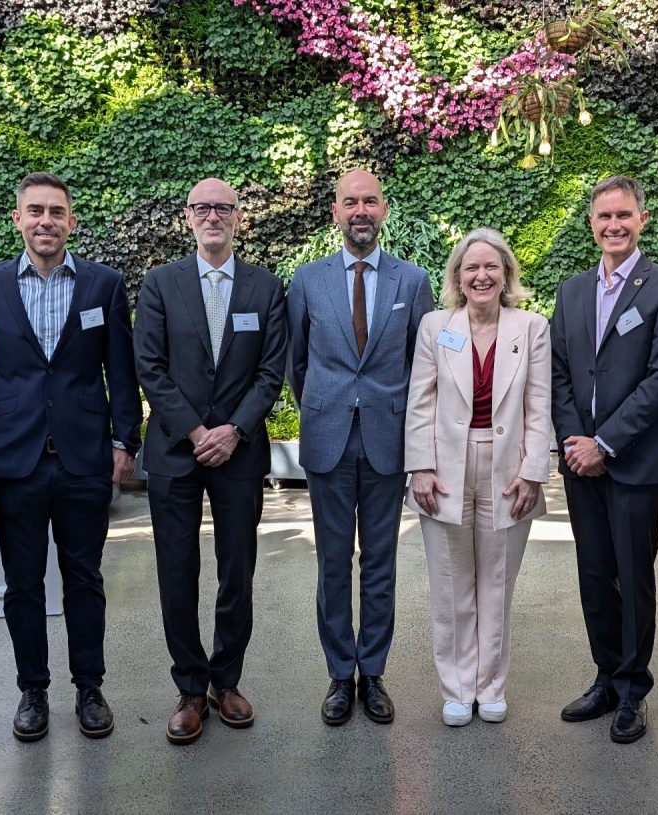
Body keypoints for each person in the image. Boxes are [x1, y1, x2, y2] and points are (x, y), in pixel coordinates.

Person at [0, 172, 141, 743]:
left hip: (85, 459)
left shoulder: (103, 286)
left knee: (84, 578)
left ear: (71, 222)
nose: (45, 221)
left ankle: (90, 687)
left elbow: (122, 371)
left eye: (56, 212)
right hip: (15, 461)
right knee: (22, 583)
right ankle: (32, 691)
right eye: (35, 211)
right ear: (18, 219)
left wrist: (124, 441)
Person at [134, 178, 287, 744]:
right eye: (203, 208)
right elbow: (148, 365)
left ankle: (226, 681)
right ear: (188, 218)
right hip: (176, 450)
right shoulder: (159, 284)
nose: (213, 216)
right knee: (177, 571)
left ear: (239, 218)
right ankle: (190, 687)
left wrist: (234, 429)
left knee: (236, 571)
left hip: (239, 451)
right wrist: (198, 430)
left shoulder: (266, 289)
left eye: (224, 208)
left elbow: (272, 371)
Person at [287, 169, 434, 725]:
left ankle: (372, 673)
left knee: (380, 563)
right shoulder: (307, 280)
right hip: (328, 440)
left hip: (385, 443)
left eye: (370, 201)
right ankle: (337, 674)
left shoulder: (410, 281)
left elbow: (423, 366)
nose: (360, 210)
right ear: (336, 212)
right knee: (331, 563)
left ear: (384, 209)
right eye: (350, 202)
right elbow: (296, 363)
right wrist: (324, 404)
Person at [550, 175, 658, 743]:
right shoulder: (571, 290)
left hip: (630, 461)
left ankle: (634, 687)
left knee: (633, 577)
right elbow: (560, 374)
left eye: (624, 216)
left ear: (642, 219)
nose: (614, 225)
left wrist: (604, 443)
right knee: (593, 576)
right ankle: (606, 675)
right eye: (604, 216)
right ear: (592, 223)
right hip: (579, 461)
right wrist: (572, 441)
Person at [404, 228, 551, 727]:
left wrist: (533, 472)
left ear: (506, 274)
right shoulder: (434, 326)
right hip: (444, 468)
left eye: (491, 267)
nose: (481, 275)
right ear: (458, 277)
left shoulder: (531, 327)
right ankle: (456, 688)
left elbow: (538, 405)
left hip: (509, 468)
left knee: (496, 583)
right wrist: (420, 466)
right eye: (471, 268)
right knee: (449, 583)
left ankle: (490, 687)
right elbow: (420, 401)